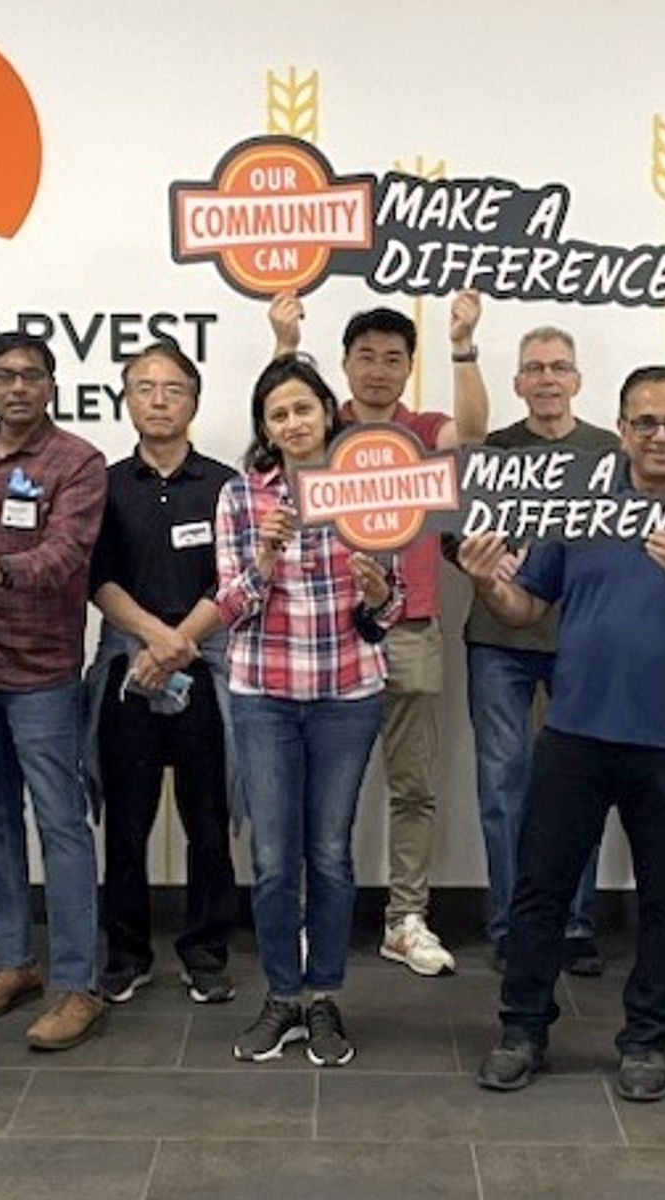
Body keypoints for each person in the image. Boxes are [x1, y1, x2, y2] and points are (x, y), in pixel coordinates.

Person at [466, 366, 665, 1103]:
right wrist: (484, 580)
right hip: (574, 733)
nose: (660, 436)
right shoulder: (581, 510)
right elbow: (524, 604)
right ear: (623, 426)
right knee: (540, 890)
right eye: (644, 422)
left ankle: (646, 1040)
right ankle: (522, 1030)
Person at [270, 288, 488, 977]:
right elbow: (280, 410)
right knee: (311, 786)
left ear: (408, 367)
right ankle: (306, 916)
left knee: (413, 784)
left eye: (394, 358)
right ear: (344, 363)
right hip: (325, 630)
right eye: (365, 357)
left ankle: (406, 919)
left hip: (412, 626)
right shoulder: (323, 424)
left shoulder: (424, 429)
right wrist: (283, 340)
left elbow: (476, 436)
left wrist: (462, 341)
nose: (378, 370)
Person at [216, 355, 401, 1067]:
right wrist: (263, 556)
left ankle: (324, 997)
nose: (293, 423)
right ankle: (280, 997)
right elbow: (231, 608)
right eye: (278, 414)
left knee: (329, 854)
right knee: (270, 859)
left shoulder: (368, 489)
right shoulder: (241, 498)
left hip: (347, 694)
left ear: (328, 411)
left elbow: (393, 612)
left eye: (303, 408)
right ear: (266, 428)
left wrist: (379, 591)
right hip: (263, 693)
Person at [0, 330, 109, 1050]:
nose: (18, 387)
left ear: (51, 385)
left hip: (41, 670)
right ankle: (14, 962)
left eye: (32, 376)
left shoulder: (78, 461)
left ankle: (79, 983)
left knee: (61, 824)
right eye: (4, 375)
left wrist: (4, 568)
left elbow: (69, 554)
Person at [458, 327, 620, 975]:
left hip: (584, 638)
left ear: (577, 381)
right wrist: (486, 560)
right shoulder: (491, 453)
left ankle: (576, 922)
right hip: (499, 639)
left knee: (580, 784)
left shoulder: (611, 454)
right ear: (518, 384)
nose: (547, 379)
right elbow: (455, 540)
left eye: (559, 368)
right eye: (534, 369)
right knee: (503, 785)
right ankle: (510, 924)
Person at [84, 341, 240, 1005]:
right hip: (128, 666)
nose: (158, 399)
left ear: (194, 401)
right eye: (144, 387)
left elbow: (235, 579)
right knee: (125, 820)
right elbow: (97, 578)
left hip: (204, 664)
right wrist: (152, 639)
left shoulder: (225, 484)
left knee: (209, 818)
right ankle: (125, 953)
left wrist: (180, 642)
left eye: (172, 388)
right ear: (127, 399)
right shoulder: (105, 485)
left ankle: (205, 953)